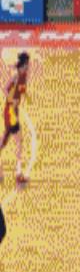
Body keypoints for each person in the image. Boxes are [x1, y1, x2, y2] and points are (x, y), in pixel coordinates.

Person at [0, 52, 30, 188]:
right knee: (19, 142)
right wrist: (12, 100)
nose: (28, 67)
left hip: (13, 112)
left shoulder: (23, 76)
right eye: (27, 64)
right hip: (10, 112)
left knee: (4, 141)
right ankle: (18, 175)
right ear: (24, 64)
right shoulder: (16, 76)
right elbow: (5, 89)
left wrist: (25, 97)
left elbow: (21, 91)